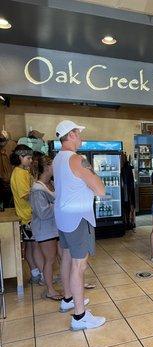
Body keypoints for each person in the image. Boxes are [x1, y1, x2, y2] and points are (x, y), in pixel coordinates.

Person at [53, 120, 106, 330]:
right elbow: (100, 189)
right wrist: (92, 174)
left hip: (63, 216)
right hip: (78, 218)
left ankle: (68, 299)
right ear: (71, 135)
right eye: (79, 132)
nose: (81, 136)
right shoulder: (77, 159)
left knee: (67, 257)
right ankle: (79, 316)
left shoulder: (57, 159)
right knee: (79, 265)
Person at [29, 155, 63, 300]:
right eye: (54, 165)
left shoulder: (52, 183)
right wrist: (59, 205)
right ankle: (50, 290)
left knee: (61, 257)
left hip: (55, 227)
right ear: (48, 167)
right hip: (45, 229)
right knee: (50, 259)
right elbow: (42, 213)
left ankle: (66, 285)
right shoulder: (37, 189)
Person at [10, 144, 44, 283]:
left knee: (29, 245)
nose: (31, 161)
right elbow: (25, 194)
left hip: (25, 216)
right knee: (36, 246)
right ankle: (43, 275)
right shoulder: (19, 173)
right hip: (29, 215)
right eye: (28, 158)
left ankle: (35, 273)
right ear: (20, 157)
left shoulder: (21, 172)